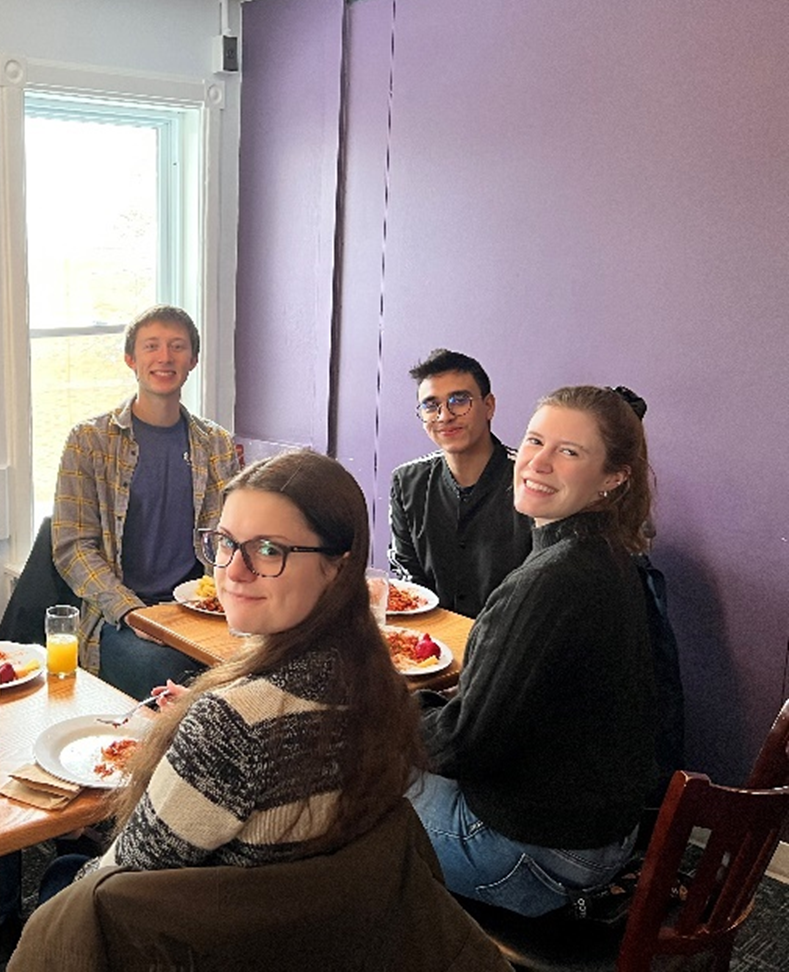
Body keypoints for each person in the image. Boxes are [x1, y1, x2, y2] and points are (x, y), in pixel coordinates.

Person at [41, 450, 425, 897]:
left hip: (205, 939)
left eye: (269, 550)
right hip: (318, 926)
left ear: (337, 567)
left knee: (61, 876)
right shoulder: (381, 686)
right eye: (226, 541)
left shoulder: (233, 727)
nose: (233, 571)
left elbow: (115, 882)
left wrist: (208, 731)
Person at [410, 385, 658, 917]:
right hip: (599, 832)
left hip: (539, 854)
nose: (538, 463)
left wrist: (374, 713)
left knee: (340, 785)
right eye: (534, 441)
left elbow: (461, 745)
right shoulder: (605, 553)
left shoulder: (552, 579)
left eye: (569, 452)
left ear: (613, 478)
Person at [52, 305, 239, 699]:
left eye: (177, 347)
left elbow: (232, 540)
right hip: (119, 617)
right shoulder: (89, 441)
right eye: (151, 346)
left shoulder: (216, 444)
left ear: (193, 360)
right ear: (131, 360)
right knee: (173, 673)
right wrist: (132, 611)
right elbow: (73, 549)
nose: (165, 357)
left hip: (199, 612)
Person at [389, 348, 533, 617]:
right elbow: (408, 578)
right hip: (432, 646)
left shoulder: (531, 481)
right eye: (431, 405)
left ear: (488, 406)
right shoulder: (407, 482)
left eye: (459, 400)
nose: (444, 416)